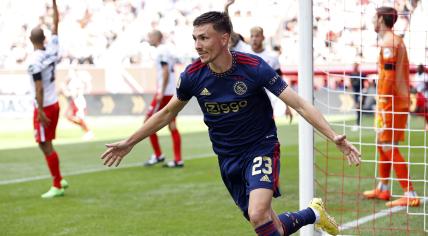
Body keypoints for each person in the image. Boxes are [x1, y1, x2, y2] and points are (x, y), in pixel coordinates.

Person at [101, 11, 361, 235]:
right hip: (227, 157)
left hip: (261, 146)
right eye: (195, 38)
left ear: (224, 39)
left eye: (204, 38)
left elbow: (300, 103)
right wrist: (130, 142)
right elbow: (167, 113)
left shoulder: (253, 67)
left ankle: (312, 214)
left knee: (259, 214)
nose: (197, 45)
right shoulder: (192, 76)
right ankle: (313, 214)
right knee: (270, 227)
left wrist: (332, 135)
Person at [363, 7, 420, 207]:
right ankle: (383, 188)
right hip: (393, 101)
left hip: (391, 102)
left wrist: (384, 100)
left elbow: (388, 76)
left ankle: (409, 192)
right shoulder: (394, 41)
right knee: (381, 142)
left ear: (381, 19)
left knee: (388, 145)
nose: (372, 21)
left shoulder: (390, 43)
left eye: (374, 17)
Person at [27, 0, 68, 198]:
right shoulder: (52, 48)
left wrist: (40, 111)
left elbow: (38, 86)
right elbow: (56, 23)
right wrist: (54, 4)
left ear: (29, 39)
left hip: (45, 106)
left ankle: (57, 184)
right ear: (45, 38)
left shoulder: (34, 61)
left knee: (44, 144)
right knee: (47, 142)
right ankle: (60, 178)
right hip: (54, 103)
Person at [143, 30, 183, 168]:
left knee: (148, 122)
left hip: (165, 92)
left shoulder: (161, 51)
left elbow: (165, 71)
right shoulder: (167, 49)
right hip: (172, 92)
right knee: (172, 126)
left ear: (157, 38)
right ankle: (178, 159)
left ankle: (158, 155)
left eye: (150, 36)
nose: (149, 39)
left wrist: (160, 90)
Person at [62, 68, 94, 140]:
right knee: (68, 116)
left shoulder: (77, 80)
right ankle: (87, 131)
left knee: (80, 117)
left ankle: (89, 132)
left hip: (78, 100)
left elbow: (79, 90)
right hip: (74, 100)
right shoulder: (71, 82)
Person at [348, 62, 366, 130]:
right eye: (354, 66)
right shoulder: (351, 75)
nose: (355, 67)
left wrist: (364, 91)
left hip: (361, 93)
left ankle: (358, 124)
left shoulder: (361, 74)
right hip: (355, 94)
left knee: (359, 108)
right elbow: (352, 85)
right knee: (358, 108)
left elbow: (366, 81)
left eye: (356, 66)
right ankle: (358, 123)